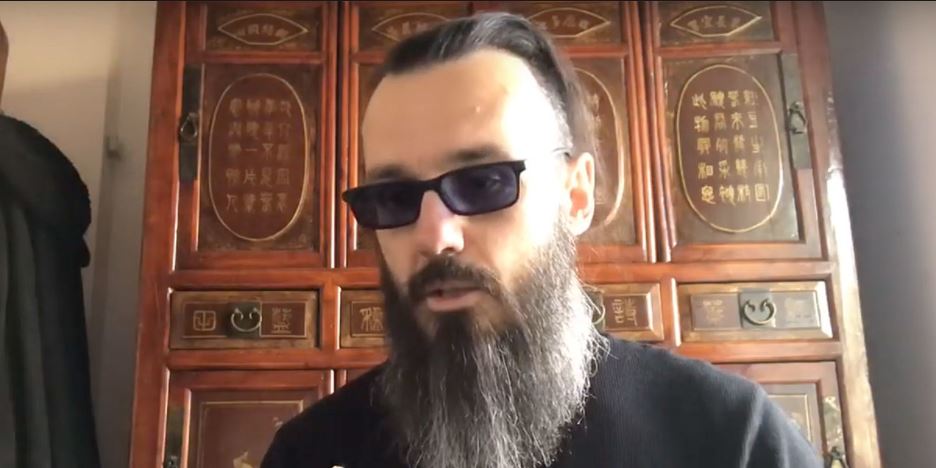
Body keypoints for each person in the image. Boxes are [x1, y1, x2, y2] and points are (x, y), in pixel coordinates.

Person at [261, 12, 822, 468]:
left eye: (484, 183)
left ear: (575, 195)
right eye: (393, 198)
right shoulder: (310, 453)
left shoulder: (730, 439)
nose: (435, 237)